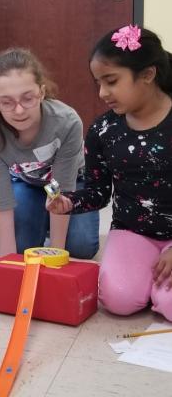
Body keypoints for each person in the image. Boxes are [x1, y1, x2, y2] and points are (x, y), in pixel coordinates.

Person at [46, 25, 172, 321]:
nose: (103, 93)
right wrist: (69, 203)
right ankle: (148, 280)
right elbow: (98, 193)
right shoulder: (104, 130)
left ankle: (158, 292)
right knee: (117, 299)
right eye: (98, 83)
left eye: (112, 81)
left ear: (148, 74)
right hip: (132, 231)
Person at [0, 48, 99, 263]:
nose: (19, 111)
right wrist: (7, 258)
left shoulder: (67, 121)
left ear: (42, 92)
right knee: (22, 247)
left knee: (81, 247)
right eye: (7, 102)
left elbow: (62, 187)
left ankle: (46, 222)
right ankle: (40, 219)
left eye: (28, 98)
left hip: (72, 182)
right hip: (28, 182)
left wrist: (55, 254)